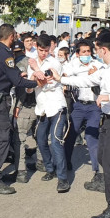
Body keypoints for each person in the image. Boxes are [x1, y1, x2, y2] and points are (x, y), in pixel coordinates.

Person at [55, 32, 110, 218]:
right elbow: (86, 81)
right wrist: (60, 80)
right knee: (104, 159)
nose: (95, 53)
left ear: (103, 49)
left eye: (96, 49)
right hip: (109, 118)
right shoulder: (107, 68)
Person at [0, 24, 39, 194]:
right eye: (15, 36)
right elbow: (18, 82)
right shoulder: (6, 54)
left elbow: (1, 75)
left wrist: (14, 75)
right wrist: (37, 82)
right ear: (12, 36)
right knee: (1, 138)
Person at [29, 36, 70, 193]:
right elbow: (30, 87)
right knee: (40, 139)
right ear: (36, 47)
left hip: (56, 106)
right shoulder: (31, 62)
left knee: (56, 141)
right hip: (42, 108)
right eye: (41, 50)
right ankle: (50, 168)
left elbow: (49, 84)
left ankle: (63, 178)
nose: (43, 54)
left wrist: (37, 75)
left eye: (46, 50)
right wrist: (36, 77)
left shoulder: (54, 63)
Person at [63, 40, 105, 191]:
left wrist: (97, 76)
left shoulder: (98, 65)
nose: (87, 54)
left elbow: (106, 80)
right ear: (78, 53)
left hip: (94, 107)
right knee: (70, 135)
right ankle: (65, 162)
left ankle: (98, 173)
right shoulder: (73, 65)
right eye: (84, 52)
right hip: (79, 106)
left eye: (88, 51)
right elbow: (64, 74)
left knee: (92, 138)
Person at [12, 40, 43, 182]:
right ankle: (42, 163)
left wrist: (17, 106)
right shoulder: (37, 62)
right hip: (41, 105)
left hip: (27, 104)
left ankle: (21, 172)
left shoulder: (18, 65)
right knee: (40, 136)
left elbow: (21, 89)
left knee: (20, 138)